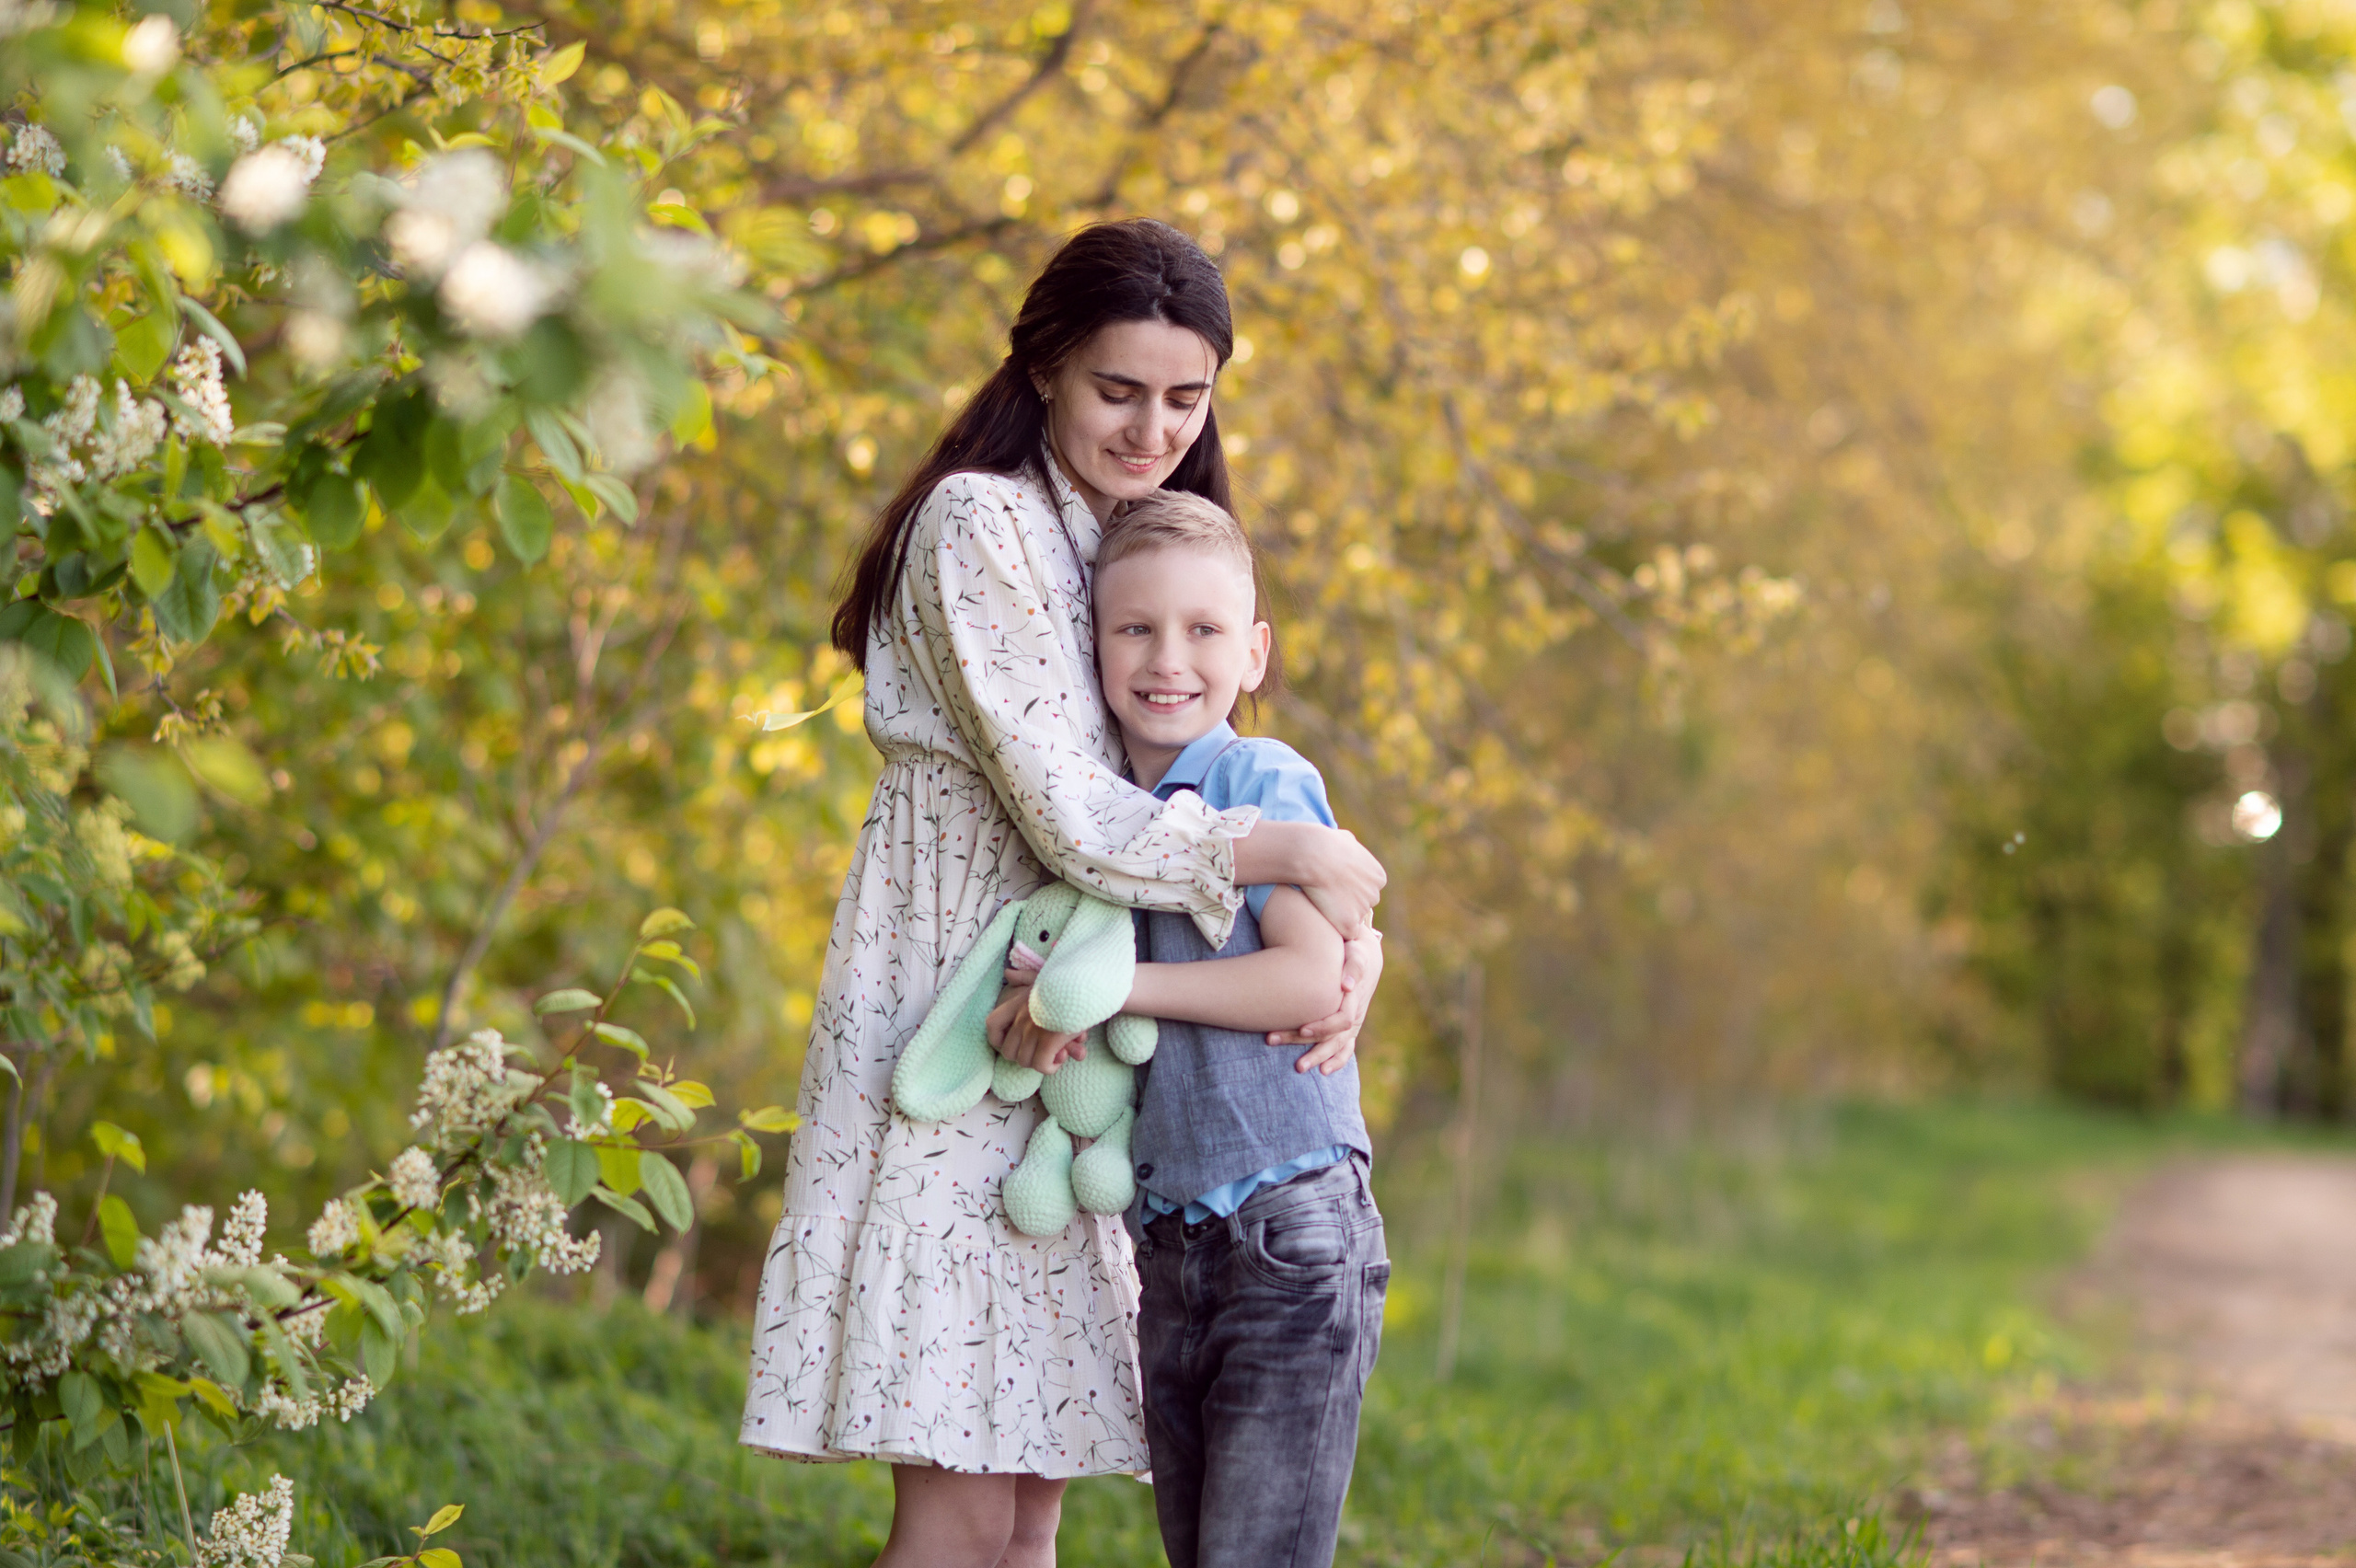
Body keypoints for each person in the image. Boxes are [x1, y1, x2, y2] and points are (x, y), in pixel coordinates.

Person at [737, 218, 1388, 1568]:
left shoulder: (1121, 537)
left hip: (1071, 1044)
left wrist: (1343, 933)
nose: (1153, 425)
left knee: (1028, 1498)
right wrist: (1288, 857)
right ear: (1042, 367)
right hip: (958, 1010)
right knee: (966, 1495)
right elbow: (1075, 812)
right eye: (1118, 389)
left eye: (1184, 397)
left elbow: (1207, 767)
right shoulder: (982, 521)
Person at [993, 491, 1384, 1568]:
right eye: (1136, 629)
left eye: (1205, 630)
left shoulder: (1256, 780)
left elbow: (1306, 980)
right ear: (1093, 647)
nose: (1170, 658)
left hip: (1287, 1230)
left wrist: (1109, 991)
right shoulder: (1102, 816)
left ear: (1253, 652)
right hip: (1173, 1252)